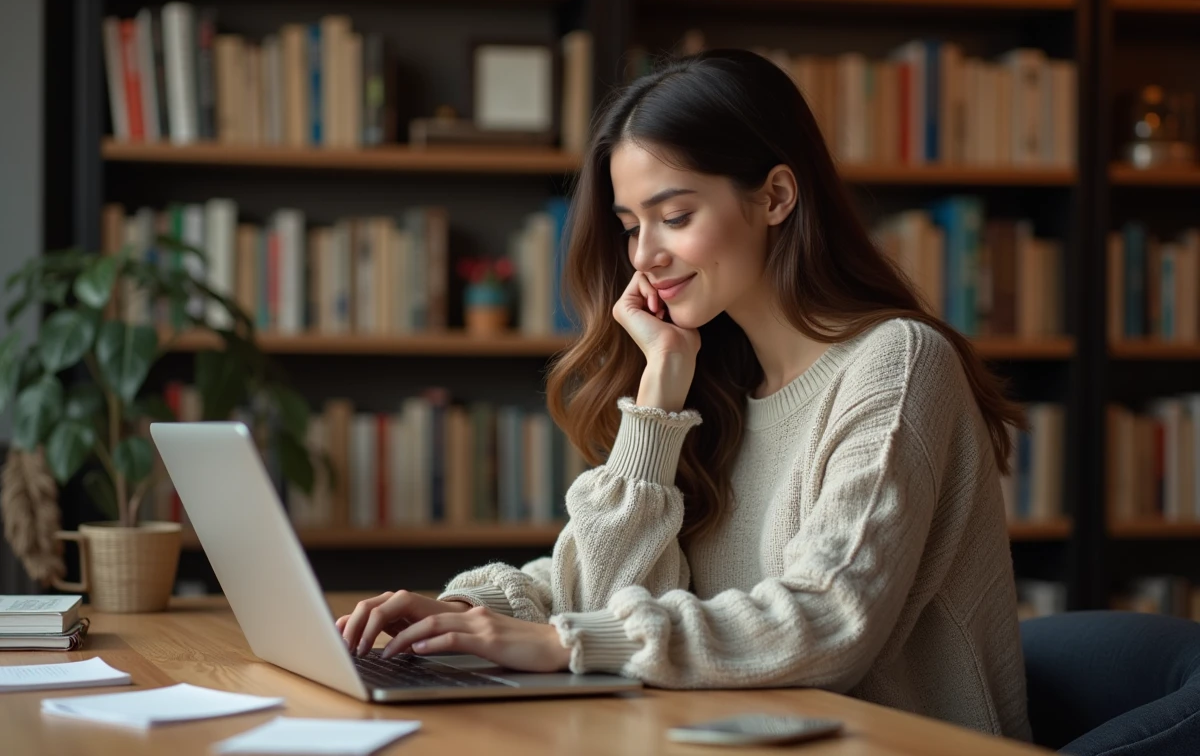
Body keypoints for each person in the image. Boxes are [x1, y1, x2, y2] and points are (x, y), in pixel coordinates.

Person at [338, 48, 1032, 740]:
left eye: (673, 217)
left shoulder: (898, 365)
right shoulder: (715, 378)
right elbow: (602, 597)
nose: (643, 257)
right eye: (632, 226)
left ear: (776, 197)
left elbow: (829, 620)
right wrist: (464, 611)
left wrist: (560, 642)